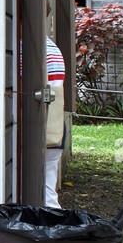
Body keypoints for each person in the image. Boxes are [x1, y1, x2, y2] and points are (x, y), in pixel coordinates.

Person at [44, 30, 67, 209]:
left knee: (44, 191)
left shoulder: (31, 49)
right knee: (48, 187)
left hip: (43, 123)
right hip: (57, 125)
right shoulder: (54, 48)